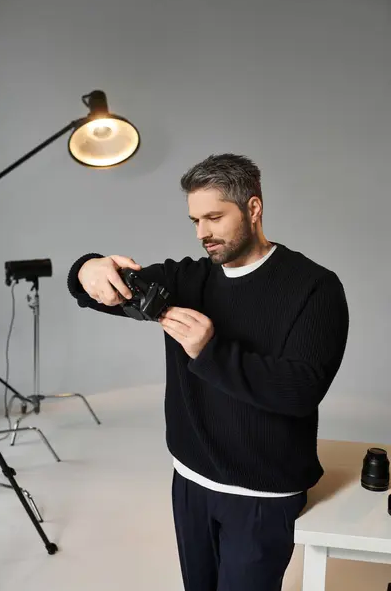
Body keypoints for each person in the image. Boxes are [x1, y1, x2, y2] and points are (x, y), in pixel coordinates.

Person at [67, 153, 349, 591]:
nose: (203, 234)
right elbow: (93, 291)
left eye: (215, 217)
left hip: (262, 493)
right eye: (195, 220)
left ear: (253, 209)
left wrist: (209, 351)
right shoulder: (186, 280)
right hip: (190, 479)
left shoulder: (315, 287)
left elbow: (300, 391)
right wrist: (88, 266)